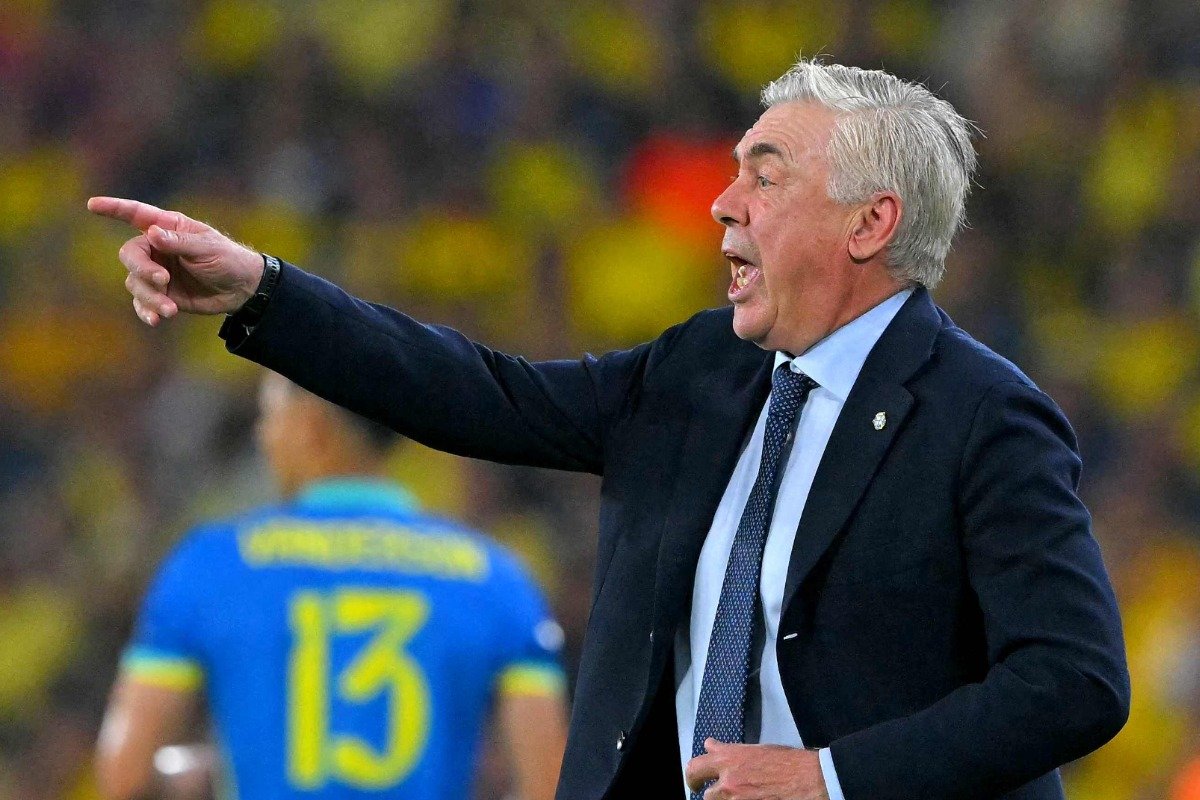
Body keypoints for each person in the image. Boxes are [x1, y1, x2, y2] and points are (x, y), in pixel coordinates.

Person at [90, 58, 1130, 800]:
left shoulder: (985, 419)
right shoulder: (701, 370)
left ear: (871, 222)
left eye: (765, 176)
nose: (723, 205)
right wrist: (259, 291)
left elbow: (1074, 681)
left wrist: (832, 777)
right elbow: (478, 392)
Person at [95, 371, 569, 800]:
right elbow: (551, 785)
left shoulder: (210, 566)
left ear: (311, 427)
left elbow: (124, 777)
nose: (263, 437)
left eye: (268, 416)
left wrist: (214, 773)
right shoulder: (495, 578)